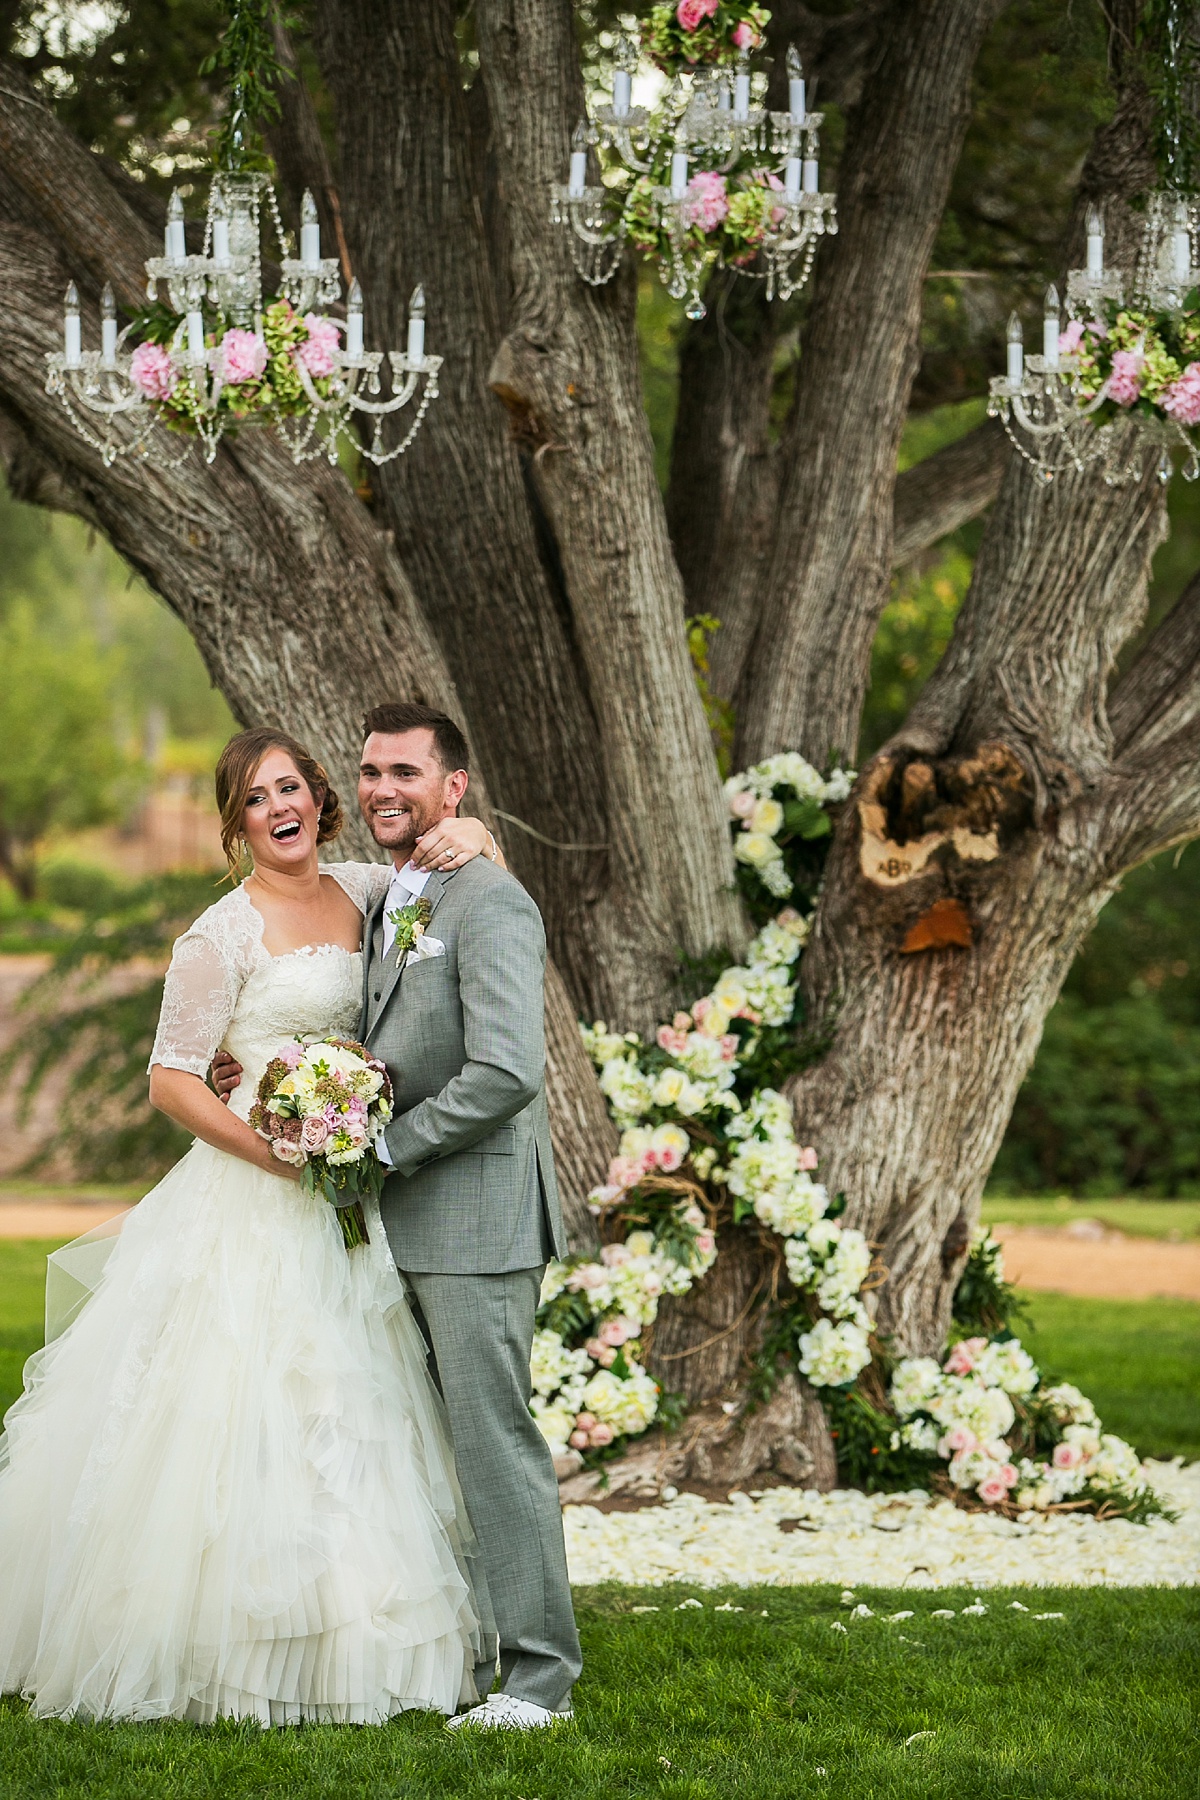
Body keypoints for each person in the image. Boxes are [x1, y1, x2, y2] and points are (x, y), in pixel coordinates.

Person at [0, 727, 500, 1724]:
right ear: (237, 827)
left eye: (291, 788)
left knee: (355, 1406)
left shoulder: (369, 891)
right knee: (242, 1404)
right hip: (250, 1197)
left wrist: (475, 830)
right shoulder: (218, 935)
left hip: (350, 1197)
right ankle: (213, 1640)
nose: (279, 808)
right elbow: (174, 1080)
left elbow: (462, 878)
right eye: (253, 799)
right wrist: (275, 1149)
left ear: (318, 798)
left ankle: (354, 1629)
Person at [214, 703, 582, 1731]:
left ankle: (540, 1679)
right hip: (396, 1225)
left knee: (491, 1443)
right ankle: (473, 1648)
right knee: (426, 1448)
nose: (383, 790)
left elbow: (506, 1072)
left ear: (453, 787)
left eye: (407, 774)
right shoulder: (394, 891)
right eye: (372, 771)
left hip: (473, 1222)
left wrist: (374, 1147)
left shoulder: (490, 901)